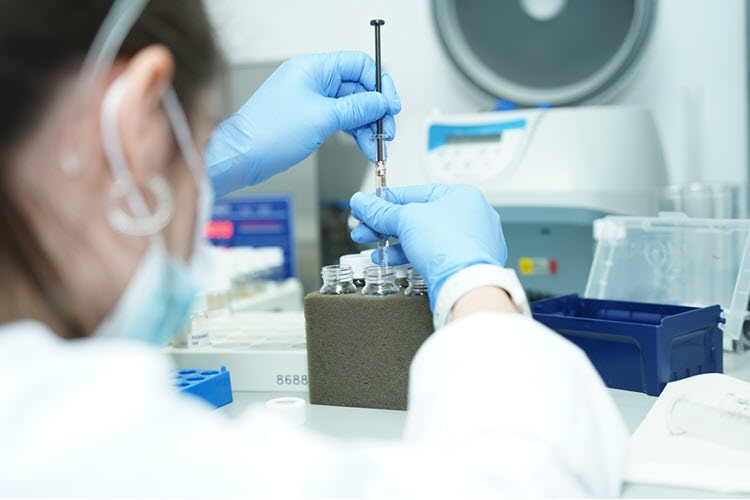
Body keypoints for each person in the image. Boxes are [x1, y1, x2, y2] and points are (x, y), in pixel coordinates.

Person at [0, 0, 628, 497]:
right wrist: (476, 284)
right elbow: (524, 478)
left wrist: (211, 162)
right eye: (193, 143)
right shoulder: (97, 449)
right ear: (133, 123)